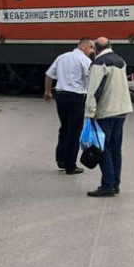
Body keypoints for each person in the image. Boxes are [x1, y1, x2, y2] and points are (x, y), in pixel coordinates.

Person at [84, 37, 133, 197]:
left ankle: (107, 185)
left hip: (106, 111)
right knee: (116, 149)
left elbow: (93, 90)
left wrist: (89, 114)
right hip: (122, 111)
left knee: (103, 149)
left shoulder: (99, 63)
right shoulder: (121, 61)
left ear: (96, 49)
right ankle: (115, 183)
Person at [44, 37, 95, 174]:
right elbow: (90, 80)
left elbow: (49, 74)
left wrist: (48, 91)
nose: (92, 51)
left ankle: (60, 159)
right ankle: (70, 165)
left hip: (61, 96)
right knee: (74, 131)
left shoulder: (62, 57)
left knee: (64, 127)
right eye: (91, 47)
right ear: (83, 47)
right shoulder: (85, 60)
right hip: (76, 97)